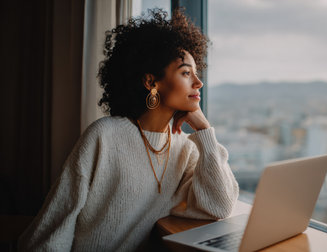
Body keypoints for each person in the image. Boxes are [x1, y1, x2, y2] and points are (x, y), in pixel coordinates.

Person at [18, 8, 239, 251]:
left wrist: (205, 130)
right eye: (186, 73)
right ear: (151, 82)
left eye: (197, 73)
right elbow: (57, 223)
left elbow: (220, 205)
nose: (199, 83)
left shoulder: (186, 147)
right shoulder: (104, 136)